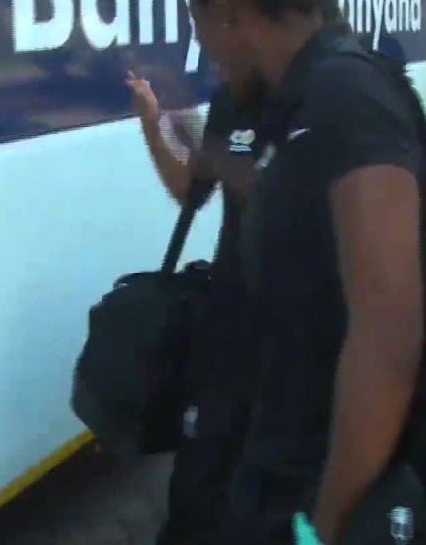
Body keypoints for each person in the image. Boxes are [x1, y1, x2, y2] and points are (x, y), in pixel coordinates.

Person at [183, 0, 426, 544]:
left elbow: (388, 339)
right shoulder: (290, 99)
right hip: (275, 456)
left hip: (313, 484)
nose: (200, 44)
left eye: (197, 20)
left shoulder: (344, 97)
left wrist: (325, 529)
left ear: (221, 9)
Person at [124, 68, 267, 544]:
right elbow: (191, 191)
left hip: (298, 328)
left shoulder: (331, 103)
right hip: (231, 316)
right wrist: (153, 125)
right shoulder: (234, 105)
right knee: (202, 461)